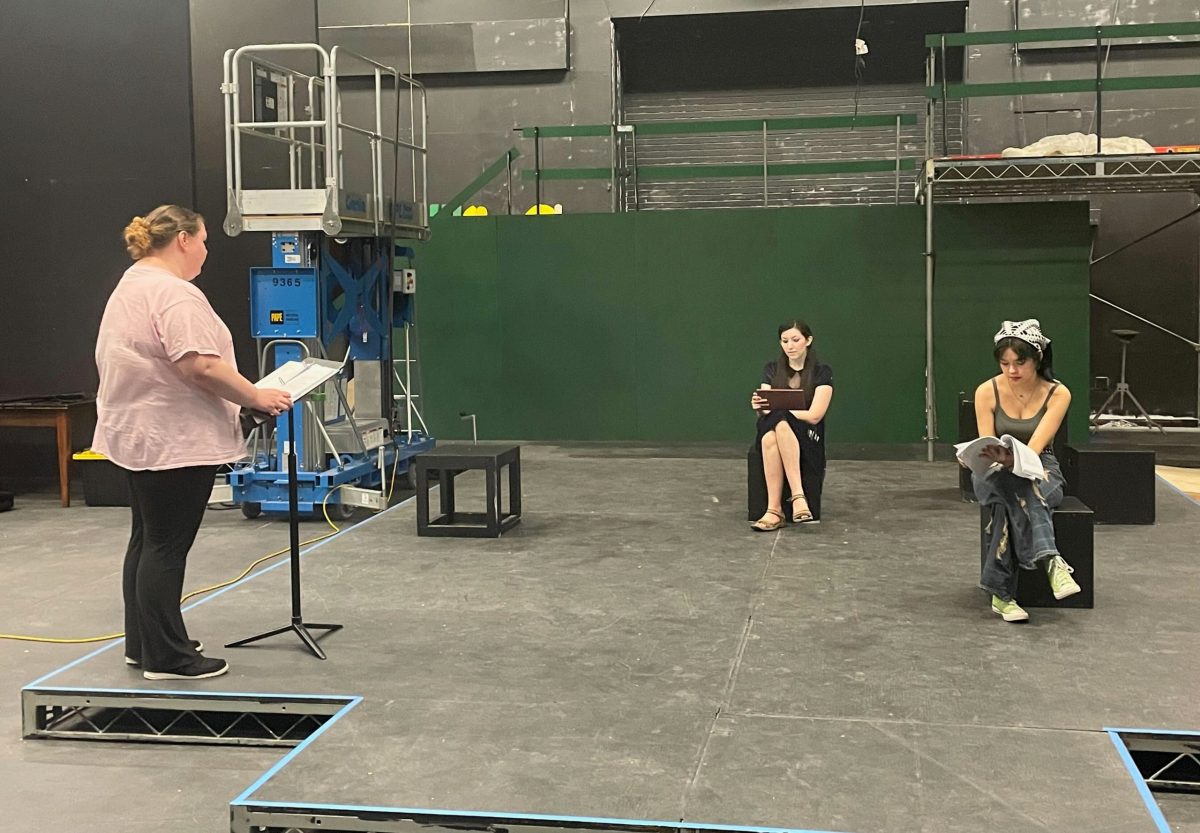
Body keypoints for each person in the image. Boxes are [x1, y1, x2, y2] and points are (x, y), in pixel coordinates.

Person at [93, 205, 292, 680]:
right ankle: (168, 658)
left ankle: (145, 644)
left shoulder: (134, 282)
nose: (206, 250)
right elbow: (198, 365)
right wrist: (255, 395)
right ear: (183, 239)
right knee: (165, 547)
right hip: (173, 439)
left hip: (137, 433)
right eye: (203, 240)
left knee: (146, 541)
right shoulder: (175, 294)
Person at [970, 319, 1081, 623]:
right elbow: (986, 442)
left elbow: (1034, 449)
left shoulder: (1058, 393)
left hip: (1040, 465)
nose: (1012, 371)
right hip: (993, 470)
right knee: (1007, 483)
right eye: (1005, 363)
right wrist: (982, 457)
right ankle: (1050, 560)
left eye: (1020, 362)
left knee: (1011, 500)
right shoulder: (986, 391)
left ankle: (1000, 594)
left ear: (1038, 358)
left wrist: (1014, 462)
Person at [749, 319, 834, 531]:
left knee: (776, 428)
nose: (790, 345)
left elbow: (815, 415)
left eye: (795, 340)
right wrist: (759, 405)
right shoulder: (771, 369)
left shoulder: (822, 372)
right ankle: (797, 498)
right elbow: (766, 408)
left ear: (808, 340)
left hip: (806, 433)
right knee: (773, 428)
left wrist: (781, 410)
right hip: (774, 426)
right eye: (785, 341)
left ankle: (774, 509)